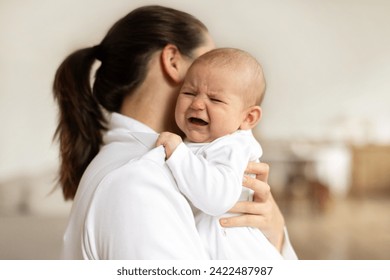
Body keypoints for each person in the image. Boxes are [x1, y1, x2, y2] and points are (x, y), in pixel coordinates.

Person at [53, 5, 293, 259]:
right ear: (173, 61)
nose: (221, 76)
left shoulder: (147, 164)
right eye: (205, 59)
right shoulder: (139, 180)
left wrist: (274, 234)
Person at [156, 48, 296, 259]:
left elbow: (217, 198)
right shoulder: (205, 142)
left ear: (248, 118)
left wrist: (178, 153)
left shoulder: (233, 146)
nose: (197, 103)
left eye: (216, 100)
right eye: (189, 93)